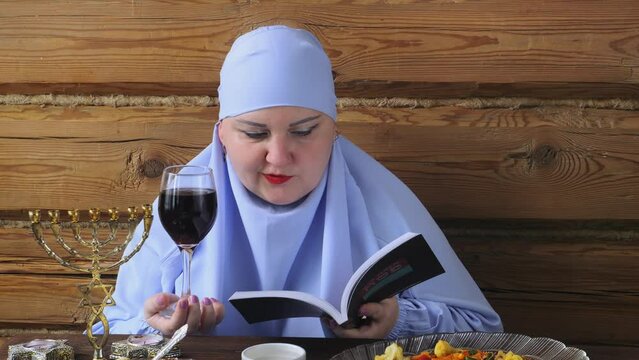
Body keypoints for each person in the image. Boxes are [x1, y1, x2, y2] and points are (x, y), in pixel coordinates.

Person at [95, 25, 503, 338]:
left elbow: (483, 329)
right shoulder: (186, 204)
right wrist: (160, 331)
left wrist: (398, 321)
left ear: (334, 131)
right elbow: (104, 332)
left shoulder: (380, 201)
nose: (278, 156)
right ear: (221, 135)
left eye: (305, 131)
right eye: (254, 134)